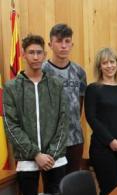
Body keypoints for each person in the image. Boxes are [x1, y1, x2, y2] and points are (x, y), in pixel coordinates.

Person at [3, 34, 67, 195]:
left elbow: (63, 121)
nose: (36, 57)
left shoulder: (56, 84)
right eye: (31, 52)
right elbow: (11, 126)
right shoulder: (11, 87)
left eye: (39, 52)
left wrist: (51, 154)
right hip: (27, 161)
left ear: (45, 55)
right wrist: (36, 154)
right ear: (23, 55)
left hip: (55, 159)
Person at [85, 48, 117, 195]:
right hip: (103, 148)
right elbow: (91, 118)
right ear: (99, 67)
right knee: (108, 191)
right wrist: (110, 141)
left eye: (112, 62)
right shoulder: (93, 89)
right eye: (104, 63)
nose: (109, 66)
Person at [42, 23, 87, 174]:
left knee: (72, 185)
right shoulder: (42, 71)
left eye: (67, 41)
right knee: (54, 187)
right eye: (59, 41)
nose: (63, 46)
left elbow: (79, 105)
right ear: (50, 44)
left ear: (71, 44)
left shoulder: (79, 72)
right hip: (51, 141)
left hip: (75, 139)